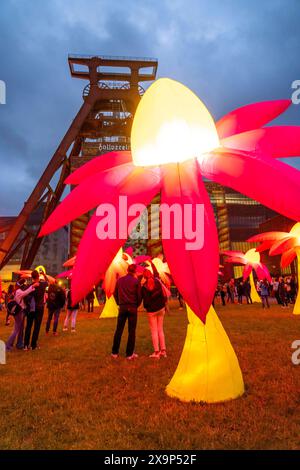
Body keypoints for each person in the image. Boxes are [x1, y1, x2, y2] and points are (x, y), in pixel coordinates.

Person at [111, 264, 141, 360]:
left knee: (119, 330)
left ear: (127, 270)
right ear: (135, 271)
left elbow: (115, 293)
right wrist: (136, 305)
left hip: (123, 307)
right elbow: (139, 296)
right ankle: (129, 354)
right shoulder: (136, 281)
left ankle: (114, 352)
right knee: (131, 331)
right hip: (132, 307)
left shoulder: (120, 280)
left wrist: (119, 303)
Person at [141, 268, 167, 359]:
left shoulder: (144, 286)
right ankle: (163, 350)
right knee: (160, 329)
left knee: (154, 331)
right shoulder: (157, 281)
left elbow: (146, 302)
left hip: (152, 310)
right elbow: (163, 294)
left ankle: (156, 352)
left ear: (144, 276)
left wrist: (146, 306)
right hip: (161, 308)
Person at [6, 279, 37, 351]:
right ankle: (8, 345)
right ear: (22, 285)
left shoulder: (17, 291)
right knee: (16, 330)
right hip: (19, 312)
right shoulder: (19, 291)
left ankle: (19, 344)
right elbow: (26, 293)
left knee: (21, 328)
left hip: (20, 311)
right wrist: (33, 286)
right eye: (25, 284)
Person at [24, 269, 48, 351]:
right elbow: (48, 282)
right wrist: (44, 275)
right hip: (39, 308)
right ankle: (33, 345)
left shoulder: (30, 286)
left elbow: (25, 292)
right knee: (36, 327)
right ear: (38, 276)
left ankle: (26, 345)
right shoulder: (42, 284)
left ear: (32, 277)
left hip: (31, 308)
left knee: (28, 326)